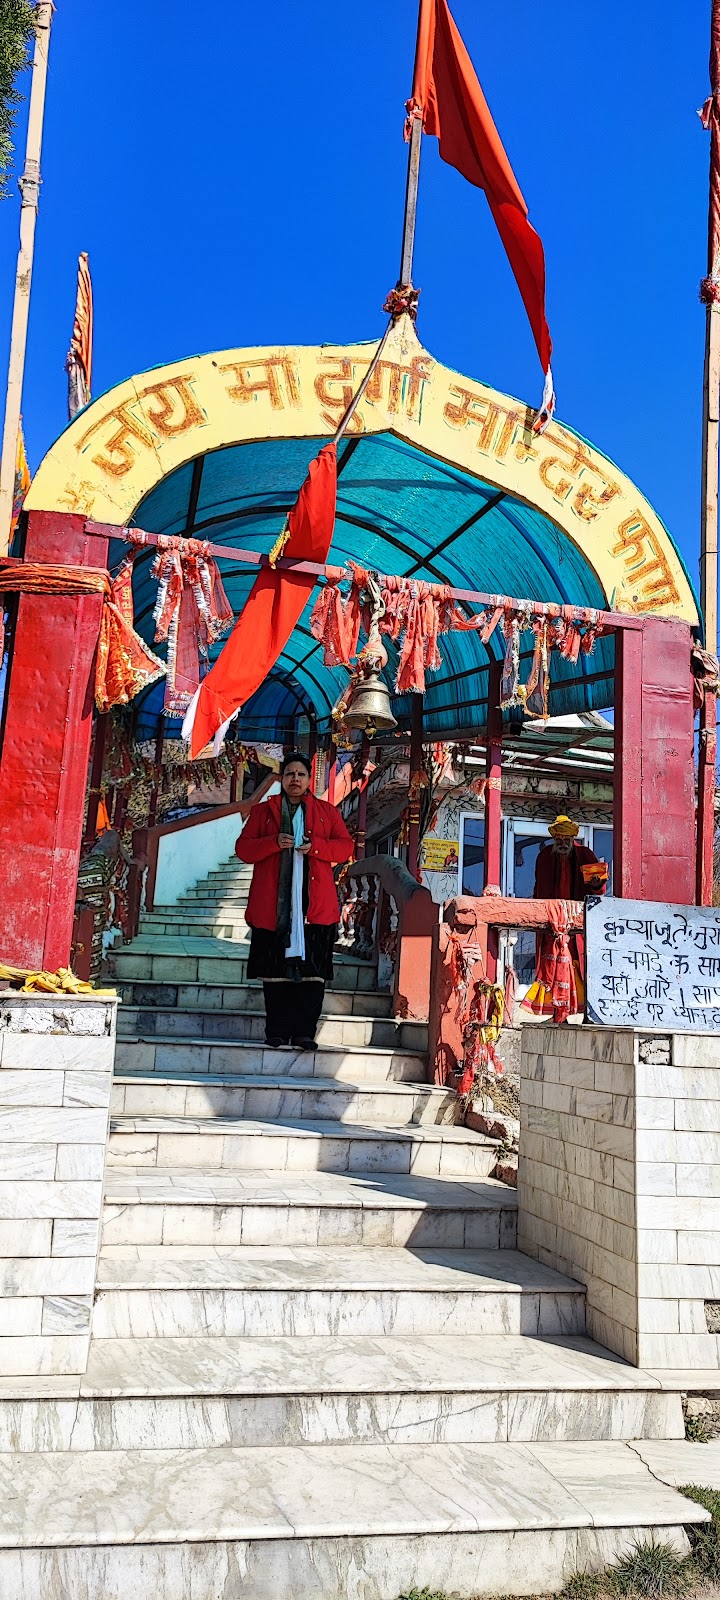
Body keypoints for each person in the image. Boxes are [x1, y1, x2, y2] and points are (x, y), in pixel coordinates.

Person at [235, 752, 354, 1048]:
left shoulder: (327, 812)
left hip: (315, 908)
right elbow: (243, 849)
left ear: (308, 780)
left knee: (313, 976)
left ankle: (304, 1033)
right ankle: (276, 1031)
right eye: (290, 774)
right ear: (282, 779)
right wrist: (273, 843)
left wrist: (315, 847)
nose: (295, 779)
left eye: (301, 774)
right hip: (273, 908)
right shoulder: (264, 812)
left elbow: (344, 848)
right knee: (275, 976)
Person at [523, 814, 608, 1020]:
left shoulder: (585, 855)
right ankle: (557, 1013)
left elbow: (599, 890)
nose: (562, 843)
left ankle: (588, 1014)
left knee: (580, 968)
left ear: (573, 839)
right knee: (552, 967)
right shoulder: (544, 857)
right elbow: (539, 887)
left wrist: (597, 883)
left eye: (566, 839)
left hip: (578, 925)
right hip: (551, 923)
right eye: (558, 839)